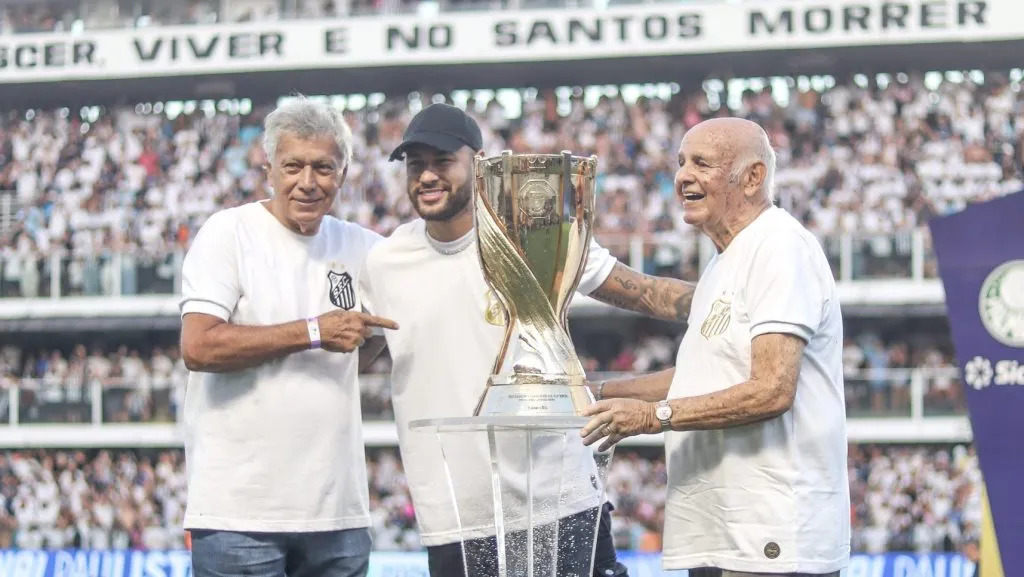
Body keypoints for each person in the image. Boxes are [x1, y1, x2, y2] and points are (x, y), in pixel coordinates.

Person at [358, 103, 699, 577]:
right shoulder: (385, 261)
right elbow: (357, 353)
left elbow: (637, 291)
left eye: (441, 162)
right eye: (416, 165)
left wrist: (729, 303)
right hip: (456, 514)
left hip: (560, 499)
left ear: (477, 163)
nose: (427, 176)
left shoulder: (533, 232)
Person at [580, 117, 850, 577]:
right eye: (681, 163)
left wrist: (652, 416)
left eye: (701, 163)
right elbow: (700, 378)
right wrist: (597, 394)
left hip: (771, 536)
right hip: (723, 532)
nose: (683, 175)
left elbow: (771, 389)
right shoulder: (727, 261)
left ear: (752, 177)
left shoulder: (779, 247)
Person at [178, 96, 398, 577]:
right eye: (293, 165)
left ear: (342, 174)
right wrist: (316, 331)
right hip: (239, 514)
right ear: (269, 169)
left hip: (338, 513)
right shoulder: (228, 233)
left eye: (323, 167)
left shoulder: (364, 247)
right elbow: (198, 346)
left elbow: (389, 325)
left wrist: (363, 340)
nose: (308, 182)